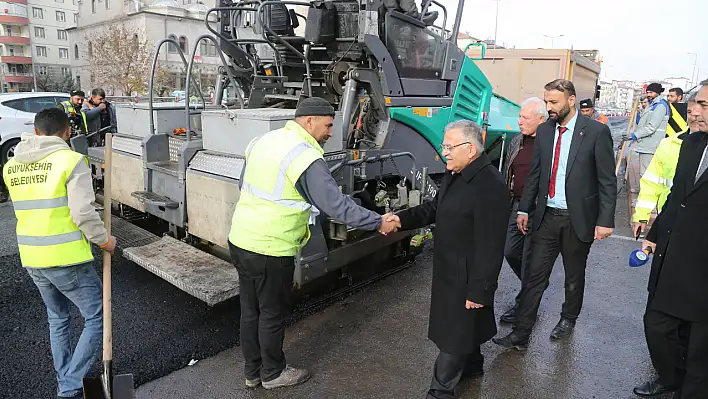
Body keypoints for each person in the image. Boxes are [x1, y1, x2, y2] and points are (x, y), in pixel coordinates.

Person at [227, 97, 398, 390]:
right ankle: (272, 374)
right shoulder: (304, 155)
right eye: (328, 125)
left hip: (241, 239)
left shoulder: (264, 140)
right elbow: (336, 205)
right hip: (271, 247)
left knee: (250, 311)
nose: (330, 132)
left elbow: (245, 182)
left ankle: (252, 372)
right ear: (309, 121)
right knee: (271, 312)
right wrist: (378, 221)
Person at [385, 120, 508, 399]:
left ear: (471, 149)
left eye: (449, 147)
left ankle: (439, 392)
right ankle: (473, 365)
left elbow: (491, 246)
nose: (444, 152)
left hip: (467, 274)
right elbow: (434, 208)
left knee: (454, 334)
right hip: (449, 269)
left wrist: (480, 289)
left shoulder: (490, 185)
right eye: (444, 146)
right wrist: (399, 220)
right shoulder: (457, 173)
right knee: (463, 325)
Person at [493, 79, 617, 350]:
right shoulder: (547, 131)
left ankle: (568, 318)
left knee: (573, 276)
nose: (549, 107)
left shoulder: (595, 132)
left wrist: (605, 220)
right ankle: (521, 334)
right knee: (534, 274)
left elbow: (607, 180)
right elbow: (536, 173)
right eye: (546, 102)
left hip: (577, 217)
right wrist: (525, 208)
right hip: (546, 215)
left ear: (571, 100)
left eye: (554, 102)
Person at [2, 108, 117, 399]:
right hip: (66, 259)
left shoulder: (11, 167)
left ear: (37, 132)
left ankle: (65, 376)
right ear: (68, 132)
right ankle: (69, 385)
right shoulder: (71, 160)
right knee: (97, 317)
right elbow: (82, 213)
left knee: (58, 319)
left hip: (32, 257)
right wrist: (105, 241)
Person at [633, 80, 708, 398]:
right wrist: (651, 234)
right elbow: (676, 198)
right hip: (674, 257)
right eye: (695, 103)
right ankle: (669, 377)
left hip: (704, 268)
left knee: (699, 356)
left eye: (704, 105)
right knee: (657, 325)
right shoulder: (689, 144)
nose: (693, 110)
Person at [499, 97, 547, 324]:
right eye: (519, 116)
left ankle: (525, 306)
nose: (520, 122)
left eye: (525, 118)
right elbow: (508, 172)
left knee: (530, 258)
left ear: (541, 119)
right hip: (517, 205)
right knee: (510, 251)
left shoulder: (549, 142)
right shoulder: (517, 141)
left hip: (540, 208)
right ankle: (534, 285)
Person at [632, 91, 699, 237]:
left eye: (700, 111)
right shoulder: (669, 144)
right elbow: (651, 183)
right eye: (690, 111)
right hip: (669, 220)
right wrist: (642, 216)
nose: (694, 116)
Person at [627, 83, 671, 194]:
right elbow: (643, 123)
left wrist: (635, 135)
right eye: (647, 92)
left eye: (651, 92)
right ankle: (642, 191)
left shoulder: (660, 106)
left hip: (651, 144)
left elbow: (651, 127)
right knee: (644, 171)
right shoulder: (652, 105)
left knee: (646, 172)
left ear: (658, 92)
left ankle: (644, 195)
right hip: (647, 144)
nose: (649, 95)